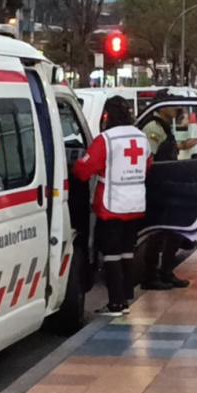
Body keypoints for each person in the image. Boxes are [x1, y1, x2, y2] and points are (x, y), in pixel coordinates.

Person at [73, 96, 152, 316]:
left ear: (107, 115)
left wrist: (78, 165)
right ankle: (127, 297)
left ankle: (116, 303)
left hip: (111, 205)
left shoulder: (106, 139)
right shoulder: (141, 137)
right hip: (136, 203)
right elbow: (148, 165)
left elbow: (83, 171)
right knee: (128, 251)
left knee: (111, 254)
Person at [141, 91, 197, 290]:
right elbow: (149, 158)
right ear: (162, 106)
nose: (177, 108)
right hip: (158, 187)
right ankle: (150, 276)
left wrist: (182, 146)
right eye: (173, 104)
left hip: (168, 185)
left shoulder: (164, 127)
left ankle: (165, 271)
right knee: (157, 233)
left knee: (174, 231)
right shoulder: (153, 128)